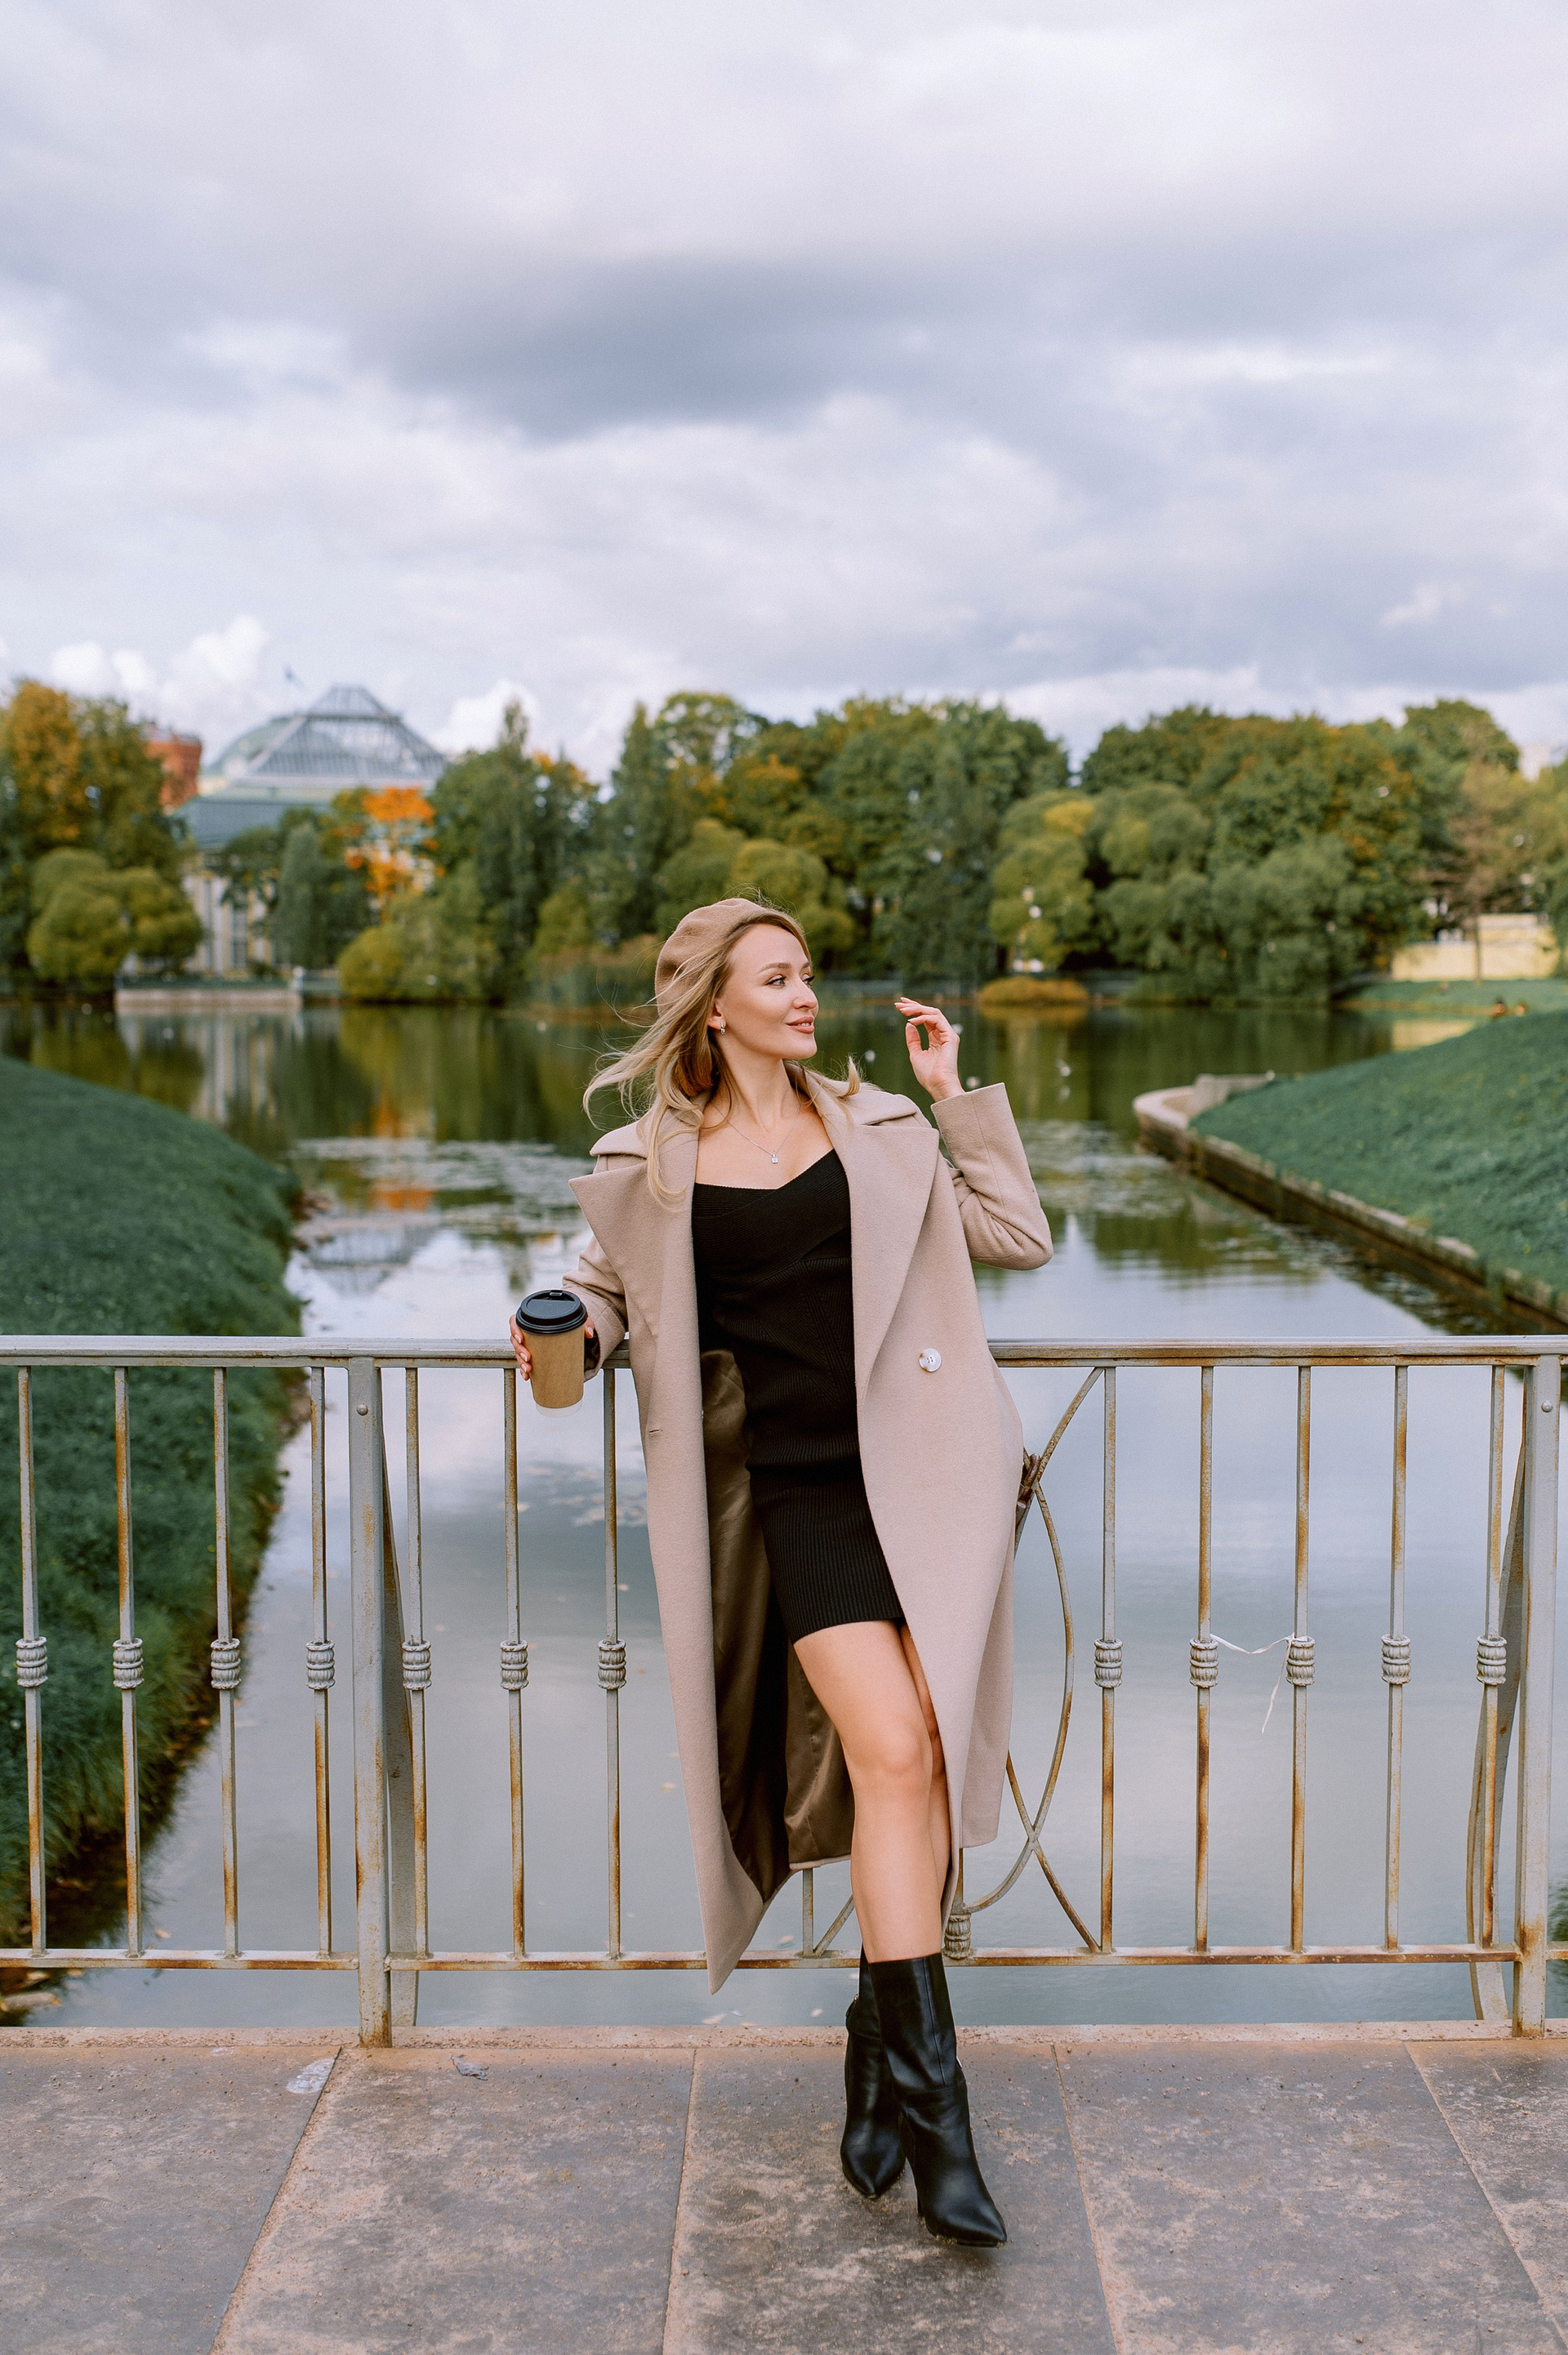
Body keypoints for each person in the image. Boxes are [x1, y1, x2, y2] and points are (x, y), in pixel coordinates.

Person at [509, 898, 1052, 2245]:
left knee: (920, 1761)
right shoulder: (654, 1165)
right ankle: (939, 2123)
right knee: (893, 1750)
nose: (807, 996)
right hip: (795, 1497)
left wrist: (953, 1097)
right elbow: (603, 1301)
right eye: (778, 979)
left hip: (923, 1483)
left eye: (807, 974)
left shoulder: (877, 1126)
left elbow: (1016, 1234)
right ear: (714, 1008)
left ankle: (879, 2050)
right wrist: (563, 1332)